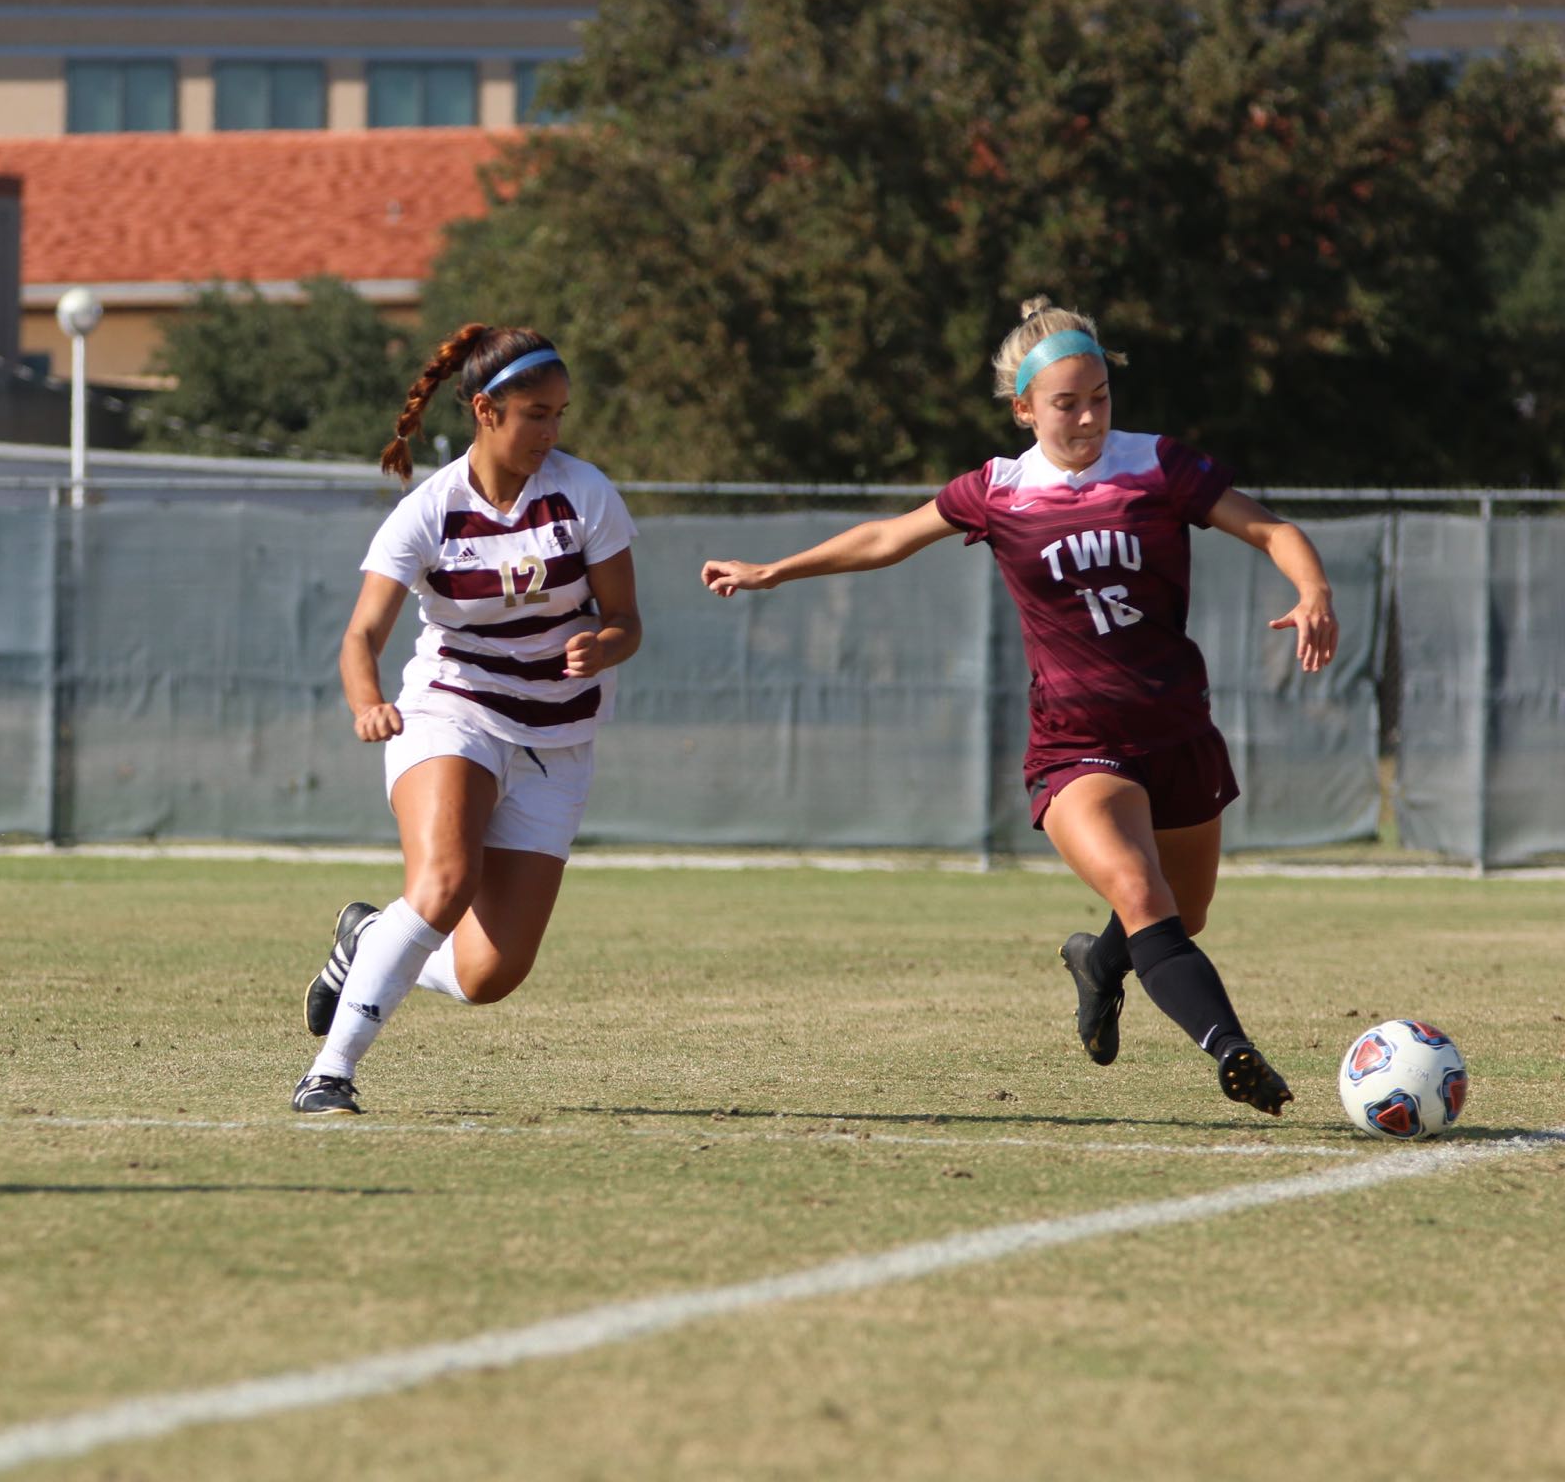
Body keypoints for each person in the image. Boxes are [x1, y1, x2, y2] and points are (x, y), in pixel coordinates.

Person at [699, 298, 1339, 1117]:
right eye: (1066, 402)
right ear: (1024, 408)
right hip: (1078, 744)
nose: (1087, 416)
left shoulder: (1158, 465)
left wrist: (1312, 589)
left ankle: (1099, 963)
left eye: (1100, 396)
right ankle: (1234, 1051)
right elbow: (886, 538)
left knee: (1186, 912)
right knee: (1145, 900)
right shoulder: (999, 489)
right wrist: (774, 571)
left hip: (1178, 730)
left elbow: (1270, 530)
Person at [291, 325, 643, 1114]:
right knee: (445, 883)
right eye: (534, 415)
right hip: (455, 708)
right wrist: (367, 703)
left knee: (489, 976)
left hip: (558, 735)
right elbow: (361, 636)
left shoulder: (585, 493)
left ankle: (369, 940)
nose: (551, 432)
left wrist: (603, 645)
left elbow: (627, 619)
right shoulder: (429, 512)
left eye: (559, 414)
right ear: (486, 410)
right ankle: (331, 1071)